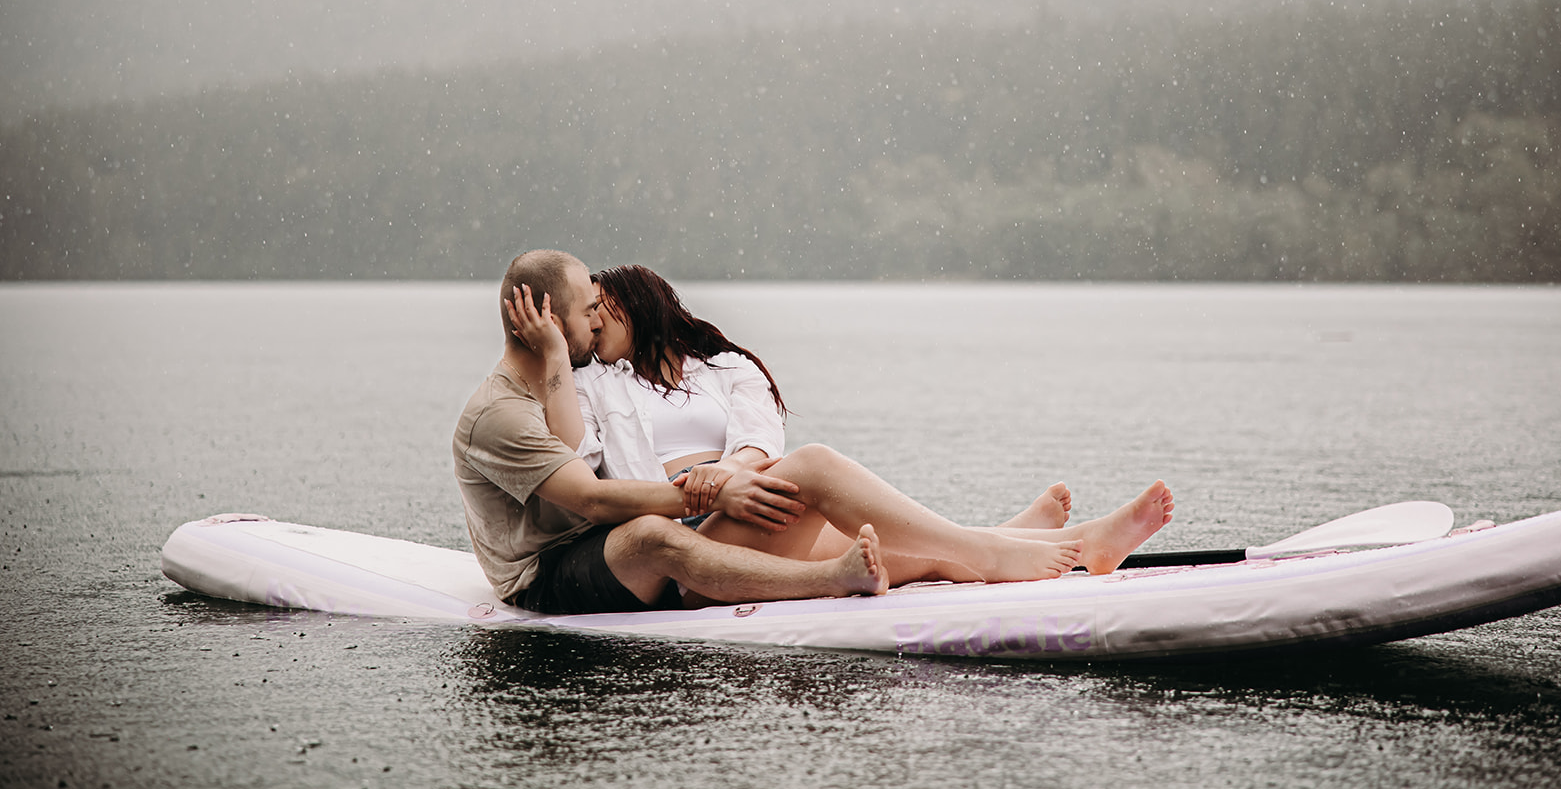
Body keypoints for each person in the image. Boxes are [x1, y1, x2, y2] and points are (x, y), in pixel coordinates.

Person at [455, 250, 1121, 617]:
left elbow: (757, 430)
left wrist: (735, 476)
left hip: (718, 507)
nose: (594, 326)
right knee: (819, 469)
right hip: (671, 531)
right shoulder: (580, 384)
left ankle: (1038, 540)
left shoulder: (722, 367)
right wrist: (708, 491)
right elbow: (587, 479)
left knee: (853, 518)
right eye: (587, 315)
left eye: (601, 310)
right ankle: (996, 549)